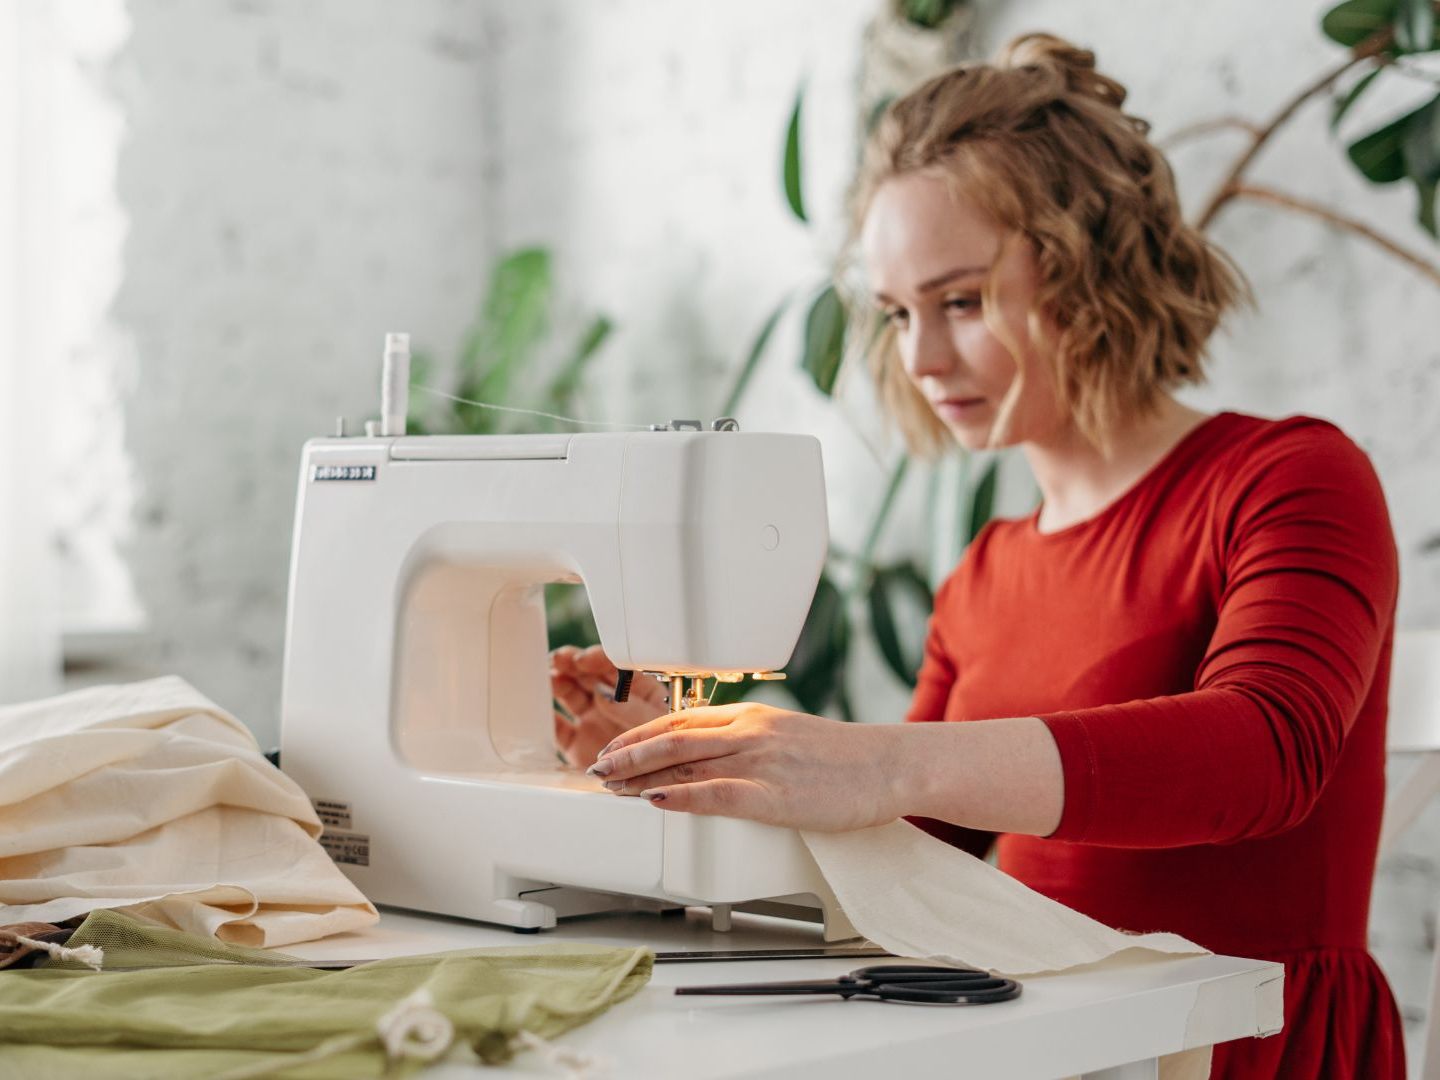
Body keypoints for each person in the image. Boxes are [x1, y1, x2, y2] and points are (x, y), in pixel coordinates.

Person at [550, 33, 1404, 1079]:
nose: (919, 357)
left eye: (960, 302)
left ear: (1095, 272)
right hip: (1051, 1034)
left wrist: (881, 759)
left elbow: (1268, 750)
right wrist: (695, 768)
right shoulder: (985, 573)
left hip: (1242, 1044)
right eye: (898, 314)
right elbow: (910, 849)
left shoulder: (1289, 478)